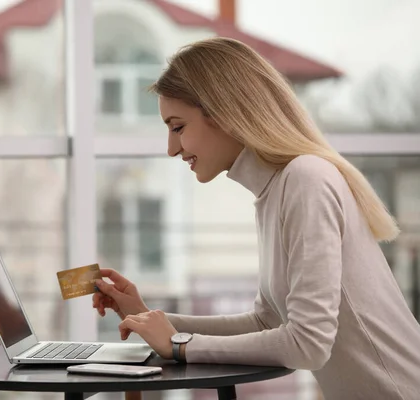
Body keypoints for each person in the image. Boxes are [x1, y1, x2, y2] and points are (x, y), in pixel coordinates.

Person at [92, 37, 420, 400]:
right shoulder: (274, 191)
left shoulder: (306, 179)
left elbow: (309, 344)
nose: (171, 149)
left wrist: (179, 345)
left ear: (224, 115)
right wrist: (149, 317)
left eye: (178, 127)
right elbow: (267, 322)